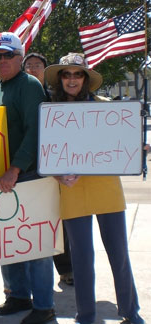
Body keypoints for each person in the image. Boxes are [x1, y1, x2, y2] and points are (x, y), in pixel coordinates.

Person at [44, 52, 145, 324]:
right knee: (81, 259)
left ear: (86, 78)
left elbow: (126, 145)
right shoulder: (51, 113)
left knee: (119, 254)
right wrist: (57, 176)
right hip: (73, 192)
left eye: (78, 74)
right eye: (67, 74)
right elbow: (47, 155)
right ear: (60, 79)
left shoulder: (107, 107)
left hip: (107, 189)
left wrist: (139, 148)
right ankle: (86, 315)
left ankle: (130, 310)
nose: (72, 79)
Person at [0, 32, 55, 324]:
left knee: (36, 245)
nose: (2, 61)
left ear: (20, 57)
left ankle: (44, 306)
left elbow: (35, 130)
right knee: (9, 241)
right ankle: (18, 296)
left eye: (8, 55)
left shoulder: (29, 84)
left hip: (26, 176)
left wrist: (15, 168)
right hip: (2, 179)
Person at [22, 52, 74, 286]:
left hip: (55, 166)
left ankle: (66, 269)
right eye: (29, 65)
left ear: (45, 69)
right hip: (31, 167)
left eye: (38, 65)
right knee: (32, 224)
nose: (33, 68)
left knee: (57, 221)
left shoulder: (54, 96)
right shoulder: (21, 93)